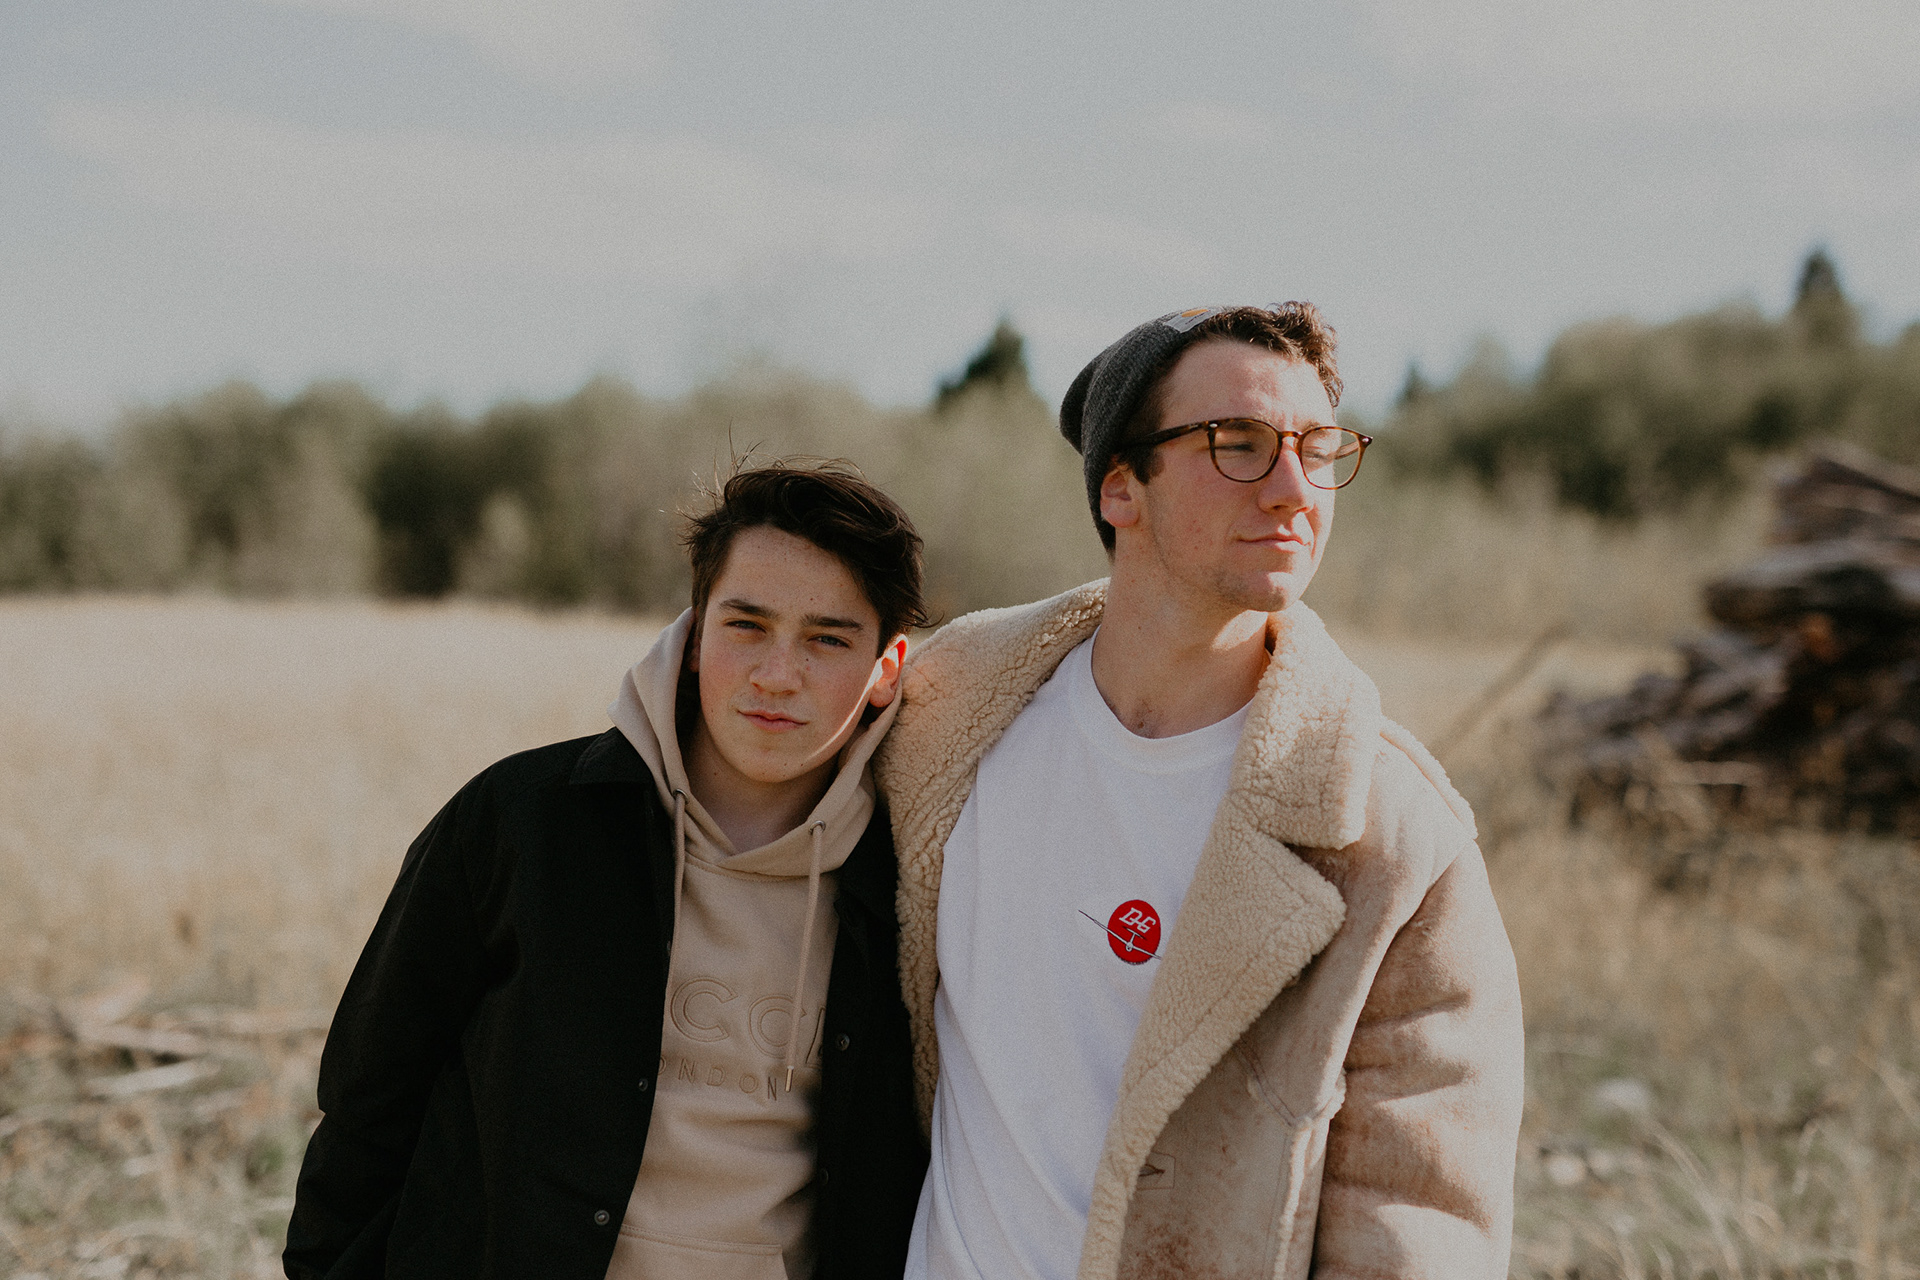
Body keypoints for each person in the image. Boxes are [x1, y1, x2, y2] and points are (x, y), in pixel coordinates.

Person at [876, 304, 1526, 1279]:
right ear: (1121, 488)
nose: (1295, 488)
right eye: (1240, 444)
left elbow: (1420, 1223)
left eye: (1319, 449)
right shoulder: (948, 709)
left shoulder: (1390, 836)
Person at [285, 461, 930, 1280]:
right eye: (746, 625)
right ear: (694, 637)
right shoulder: (521, 823)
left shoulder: (912, 887)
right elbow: (367, 1108)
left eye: (827, 640)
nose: (777, 675)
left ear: (886, 668)